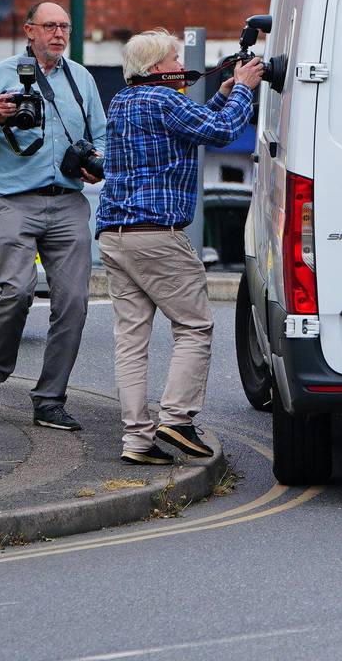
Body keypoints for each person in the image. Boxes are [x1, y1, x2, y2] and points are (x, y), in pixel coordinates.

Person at [96, 29, 261, 465]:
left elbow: (192, 127)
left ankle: (136, 440)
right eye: (174, 59)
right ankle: (178, 418)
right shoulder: (165, 99)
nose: (181, 66)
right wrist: (244, 89)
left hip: (114, 235)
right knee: (194, 326)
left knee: (131, 340)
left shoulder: (122, 101)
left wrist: (222, 95)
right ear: (155, 68)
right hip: (157, 235)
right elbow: (222, 133)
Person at [0, 1, 107, 432]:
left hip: (68, 201)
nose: (59, 34)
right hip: (13, 199)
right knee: (17, 291)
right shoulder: (1, 74)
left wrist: (97, 161)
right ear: (29, 30)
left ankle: (50, 400)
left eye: (65, 27)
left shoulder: (82, 79)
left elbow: (103, 135)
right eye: (50, 26)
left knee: (74, 303)